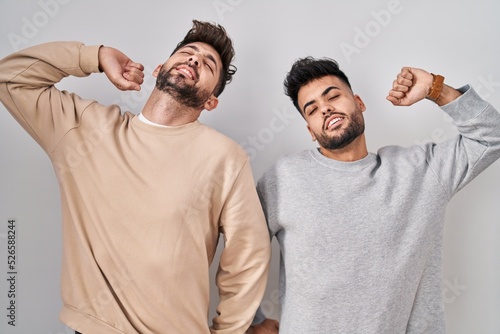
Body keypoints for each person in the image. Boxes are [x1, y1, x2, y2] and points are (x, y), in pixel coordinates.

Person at [0, 20, 271, 334]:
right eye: (188, 52)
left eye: (208, 63)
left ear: (210, 101)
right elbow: (10, 79)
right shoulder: (85, 129)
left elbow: (248, 254)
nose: (195, 60)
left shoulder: (225, 156)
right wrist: (96, 56)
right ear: (159, 69)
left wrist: (228, 332)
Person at [249, 57, 500, 333]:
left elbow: (491, 136)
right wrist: (253, 321)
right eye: (312, 109)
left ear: (359, 103)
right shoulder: (284, 178)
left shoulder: (421, 171)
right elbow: (242, 251)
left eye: (333, 96)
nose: (325, 108)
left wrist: (435, 89)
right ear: (310, 130)